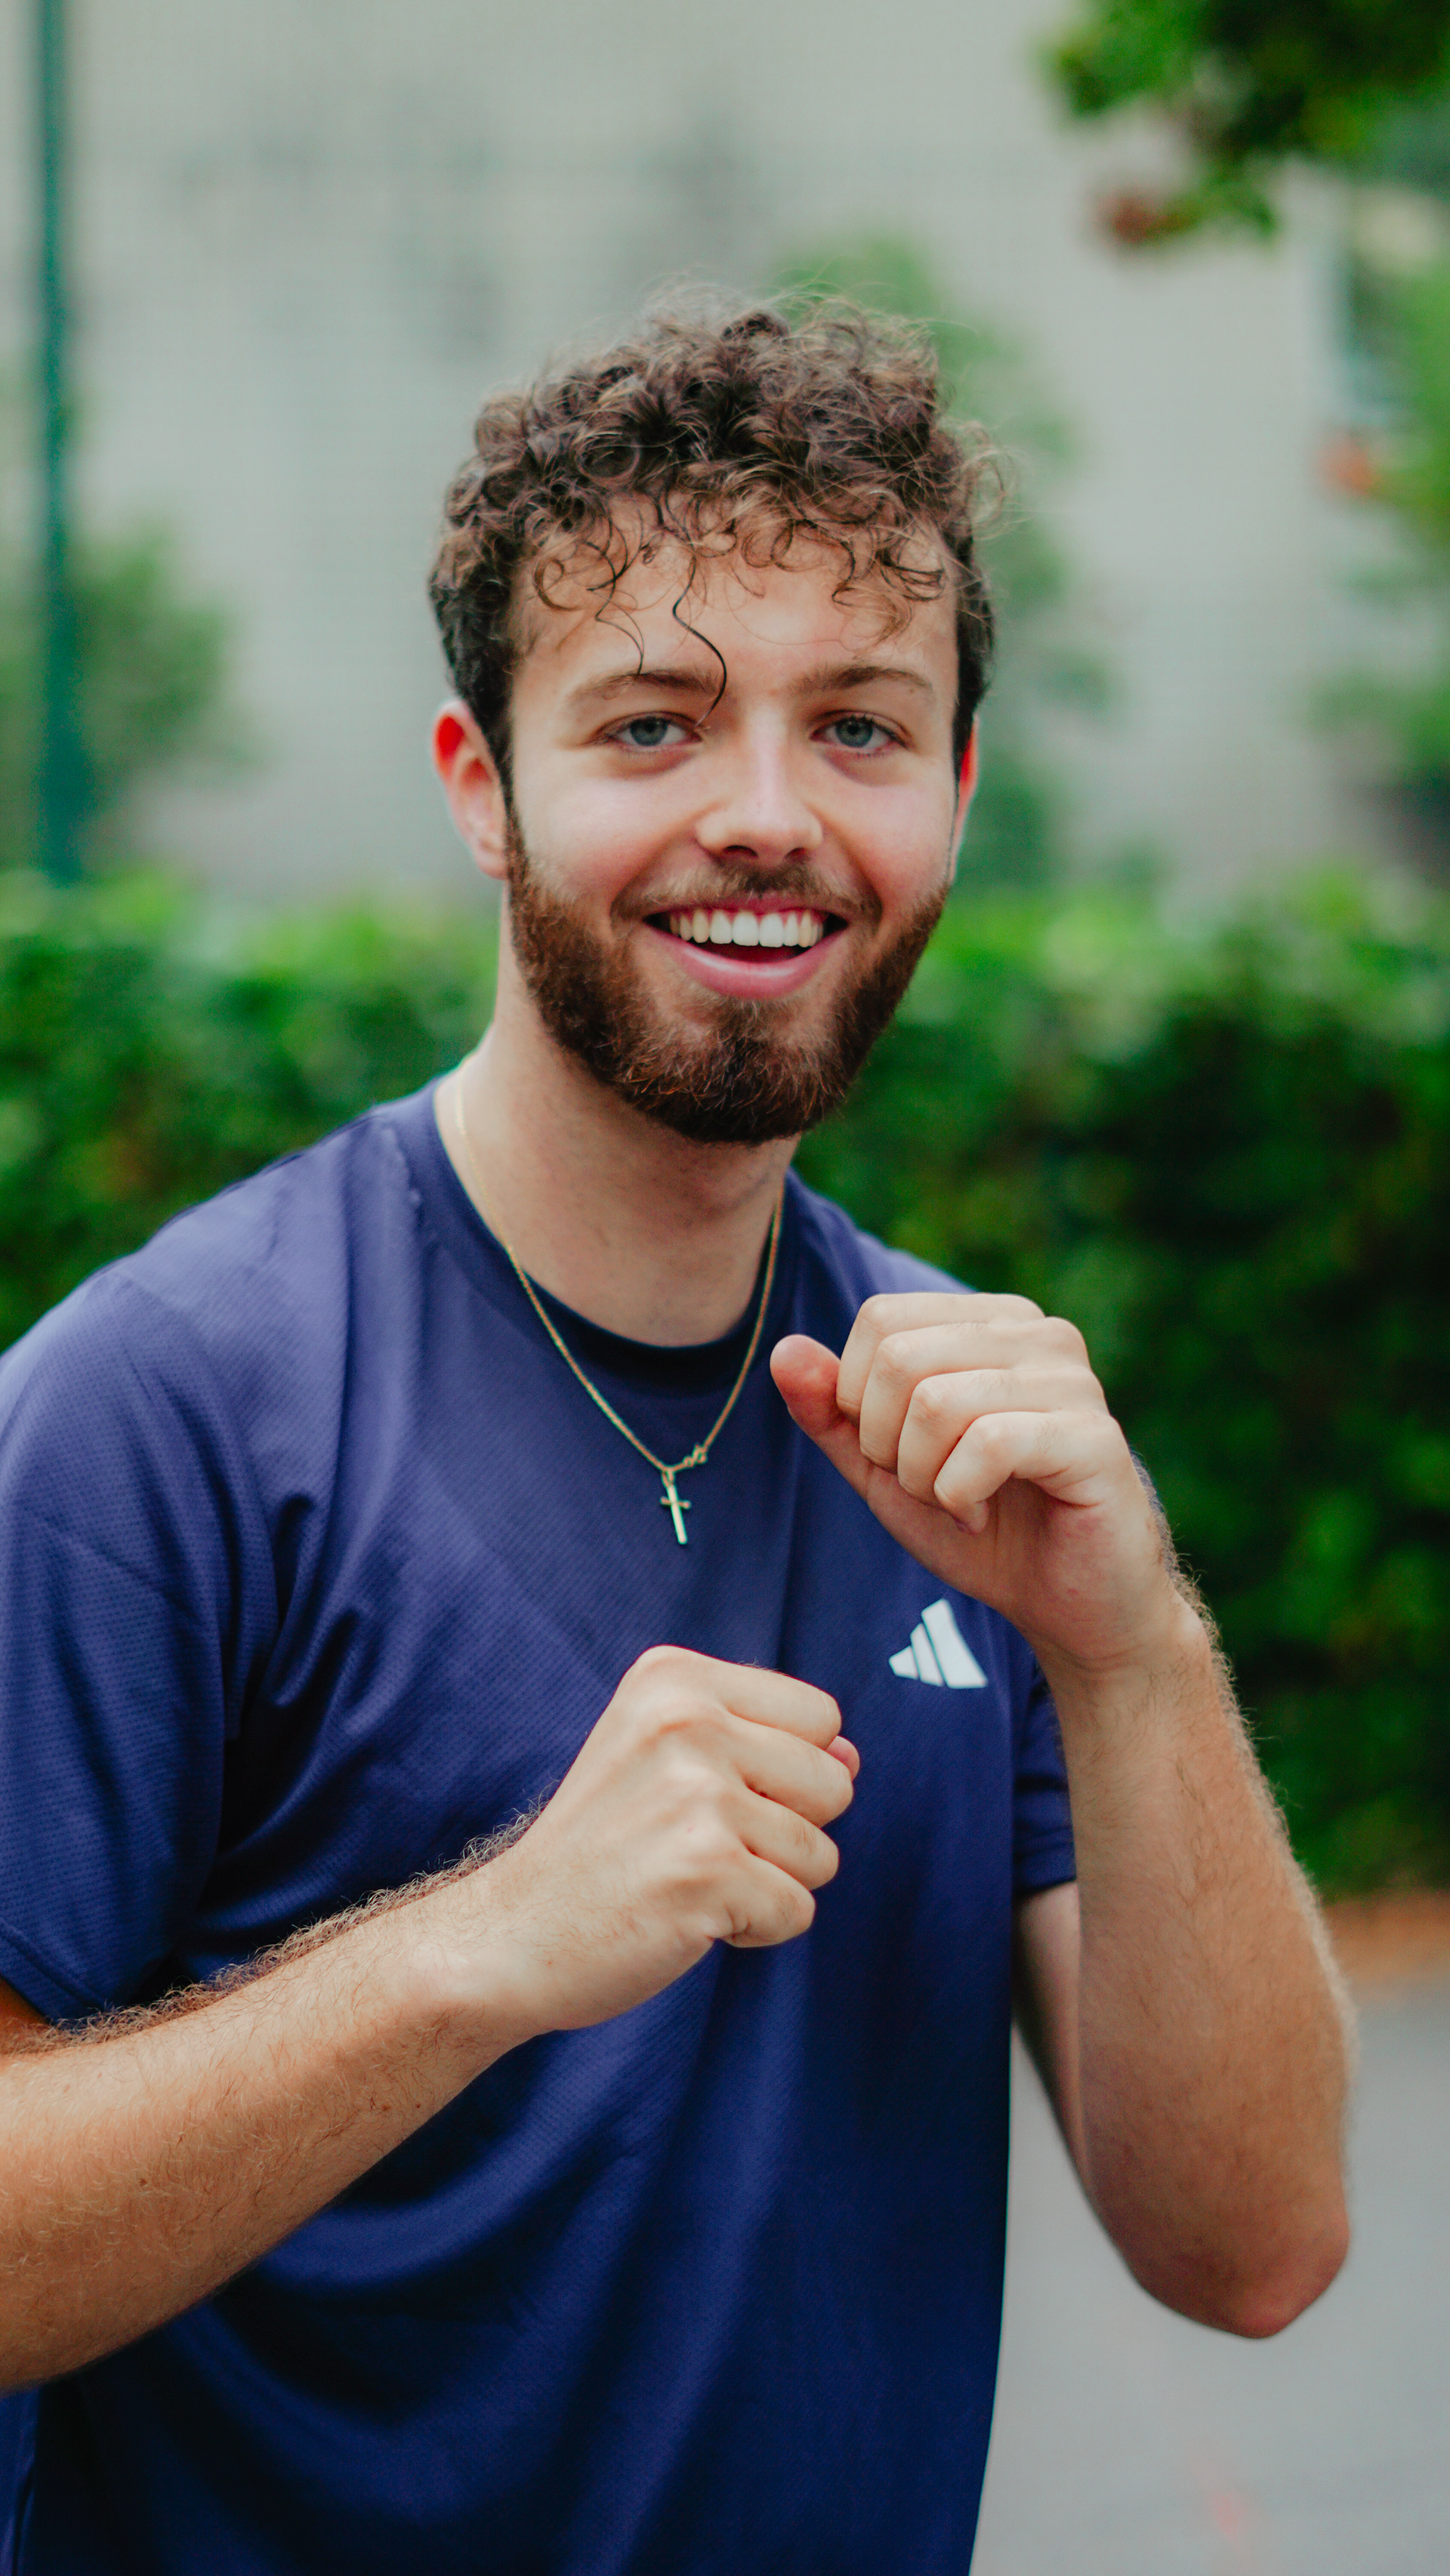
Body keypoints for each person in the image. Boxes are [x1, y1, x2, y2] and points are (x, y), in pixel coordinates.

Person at [0, 300, 1350, 2576]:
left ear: (956, 796)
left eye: (861, 726)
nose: (768, 814)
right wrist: (479, 1947)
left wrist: (1136, 1649)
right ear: (480, 784)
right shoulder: (166, 1406)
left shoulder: (972, 1445)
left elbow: (1259, 2248)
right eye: (653, 720)